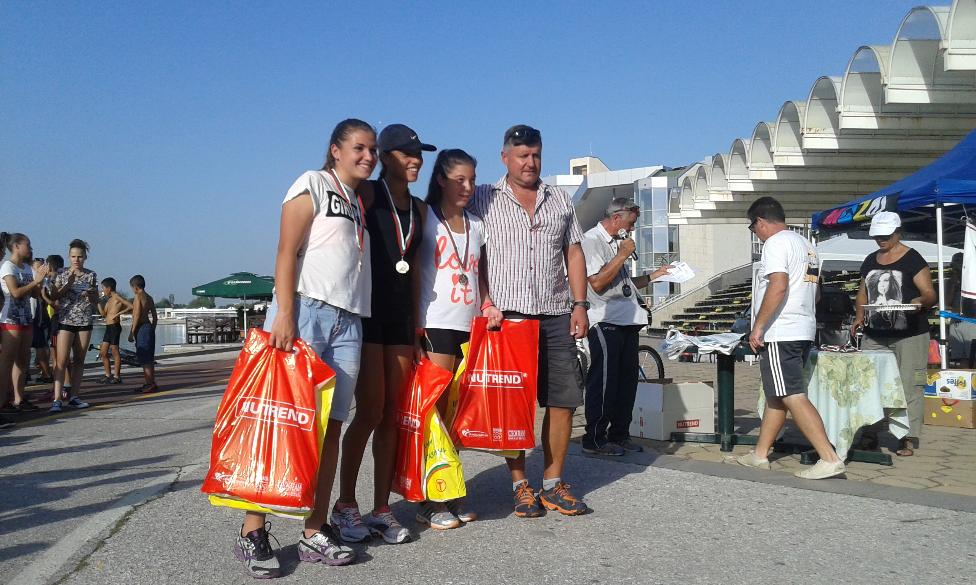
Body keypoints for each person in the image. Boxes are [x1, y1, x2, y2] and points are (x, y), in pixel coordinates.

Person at [232, 119, 376, 578]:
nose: (368, 156)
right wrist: (285, 312)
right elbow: (286, 250)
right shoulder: (312, 182)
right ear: (335, 149)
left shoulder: (357, 201)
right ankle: (252, 530)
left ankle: (315, 529)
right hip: (307, 311)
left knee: (331, 427)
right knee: (282, 423)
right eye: (359, 148)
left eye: (372, 149)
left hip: (349, 320)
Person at [470, 124, 590, 517]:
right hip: (508, 317)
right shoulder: (483, 197)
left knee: (563, 399)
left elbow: (574, 252)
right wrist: (484, 301)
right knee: (513, 406)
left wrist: (580, 304)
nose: (530, 162)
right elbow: (473, 253)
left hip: (556, 313)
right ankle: (520, 484)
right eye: (522, 155)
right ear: (505, 157)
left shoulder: (560, 199)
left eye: (536, 154)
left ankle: (553, 483)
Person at [334, 123, 434, 545]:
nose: (416, 160)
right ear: (387, 158)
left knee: (393, 413)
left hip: (400, 320)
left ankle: (381, 508)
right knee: (370, 411)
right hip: (367, 314)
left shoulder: (421, 209)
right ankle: (345, 504)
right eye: (407, 153)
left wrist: (417, 326)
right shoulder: (368, 194)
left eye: (419, 154)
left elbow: (416, 269)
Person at [734, 196, 846, 480]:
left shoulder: (775, 244)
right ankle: (760, 454)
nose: (755, 233)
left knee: (792, 394)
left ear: (760, 221)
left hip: (781, 331)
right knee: (777, 394)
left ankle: (829, 457)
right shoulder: (806, 245)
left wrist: (758, 327)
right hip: (803, 327)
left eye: (752, 227)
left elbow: (779, 286)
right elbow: (815, 293)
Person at [415, 148, 483, 529]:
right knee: (435, 412)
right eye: (460, 179)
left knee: (456, 413)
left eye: (472, 179)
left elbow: (481, 274)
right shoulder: (426, 217)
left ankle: (450, 488)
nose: (468, 187)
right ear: (441, 179)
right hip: (436, 322)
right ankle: (431, 498)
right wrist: (413, 325)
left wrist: (488, 303)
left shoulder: (477, 223)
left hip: (468, 326)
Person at [580, 198, 671, 456]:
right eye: (630, 223)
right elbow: (598, 283)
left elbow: (623, 284)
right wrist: (621, 255)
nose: (632, 228)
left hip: (628, 320)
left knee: (627, 382)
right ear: (616, 218)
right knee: (605, 381)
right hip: (605, 320)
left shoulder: (618, 243)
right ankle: (594, 438)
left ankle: (619, 434)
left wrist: (655, 276)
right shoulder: (591, 241)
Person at [851, 211, 936, 456]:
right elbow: (863, 292)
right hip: (875, 333)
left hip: (910, 333)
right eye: (877, 236)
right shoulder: (870, 260)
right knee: (870, 384)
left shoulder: (913, 258)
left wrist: (920, 301)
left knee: (909, 385)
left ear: (898, 232)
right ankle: (870, 433)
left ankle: (907, 436)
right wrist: (859, 316)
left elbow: (930, 293)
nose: (881, 240)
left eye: (886, 235)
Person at [1, 233, 49, 424]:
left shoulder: (27, 268)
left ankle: (19, 398)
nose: (30, 248)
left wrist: (40, 281)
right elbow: (15, 292)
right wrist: (35, 281)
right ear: (16, 246)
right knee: (7, 361)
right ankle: (3, 401)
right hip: (10, 319)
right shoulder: (8, 266)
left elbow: (35, 294)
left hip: (26, 319)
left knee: (23, 361)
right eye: (27, 245)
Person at [48, 239, 96, 413]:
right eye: (73, 256)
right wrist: (67, 284)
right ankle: (57, 398)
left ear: (85, 257)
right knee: (61, 361)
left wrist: (91, 294)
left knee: (79, 360)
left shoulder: (91, 275)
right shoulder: (61, 273)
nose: (76, 260)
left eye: (80, 257)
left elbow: (95, 300)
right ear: (69, 257)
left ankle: (74, 396)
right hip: (66, 320)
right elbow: (54, 296)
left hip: (84, 320)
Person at [99, 277, 132, 384]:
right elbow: (103, 314)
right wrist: (98, 302)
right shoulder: (109, 300)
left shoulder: (117, 296)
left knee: (114, 351)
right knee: (103, 352)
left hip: (115, 326)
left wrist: (118, 313)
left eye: (103, 288)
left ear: (109, 288)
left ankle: (117, 376)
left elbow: (130, 306)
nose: (103, 290)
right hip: (108, 327)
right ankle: (108, 375)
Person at [128, 275, 157, 392]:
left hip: (141, 328)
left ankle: (149, 383)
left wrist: (132, 332)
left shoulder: (138, 297)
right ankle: (151, 382)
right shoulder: (149, 297)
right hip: (148, 327)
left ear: (135, 287)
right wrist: (152, 329)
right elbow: (155, 317)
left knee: (144, 358)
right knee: (149, 358)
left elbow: (137, 315)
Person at [946, 252, 976, 363]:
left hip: (971, 322)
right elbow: (946, 302)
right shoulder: (950, 282)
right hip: (956, 322)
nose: (956, 270)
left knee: (972, 356)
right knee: (959, 358)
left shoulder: (973, 282)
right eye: (954, 267)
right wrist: (953, 284)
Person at [30, 257, 54, 385]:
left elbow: (46, 298)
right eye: (37, 267)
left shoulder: (44, 282)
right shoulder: (36, 280)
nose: (39, 269)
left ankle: (46, 373)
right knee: (40, 346)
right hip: (35, 316)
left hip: (39, 317)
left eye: (41, 267)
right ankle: (43, 372)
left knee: (41, 345)